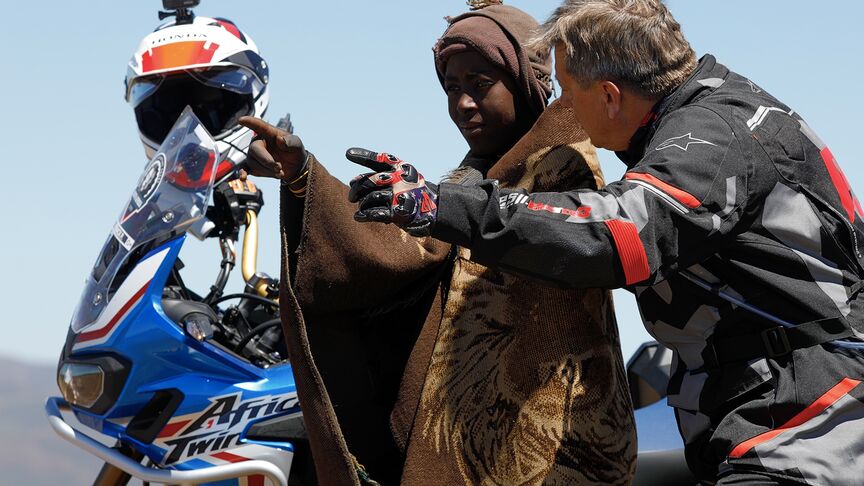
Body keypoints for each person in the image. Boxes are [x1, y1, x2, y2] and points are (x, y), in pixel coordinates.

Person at [347, 0, 864, 484]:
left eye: (569, 93)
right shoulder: (716, 110)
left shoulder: (710, 138)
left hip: (809, 418)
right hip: (764, 405)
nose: (563, 106)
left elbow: (616, 234)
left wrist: (445, 206)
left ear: (611, 96)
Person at [240, 2, 636, 484]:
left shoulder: (560, 168)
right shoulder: (475, 180)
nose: (463, 103)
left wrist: (439, 210)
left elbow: (506, 246)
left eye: (480, 84)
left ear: (526, 80)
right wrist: (302, 177)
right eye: (452, 87)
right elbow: (410, 254)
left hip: (558, 453)